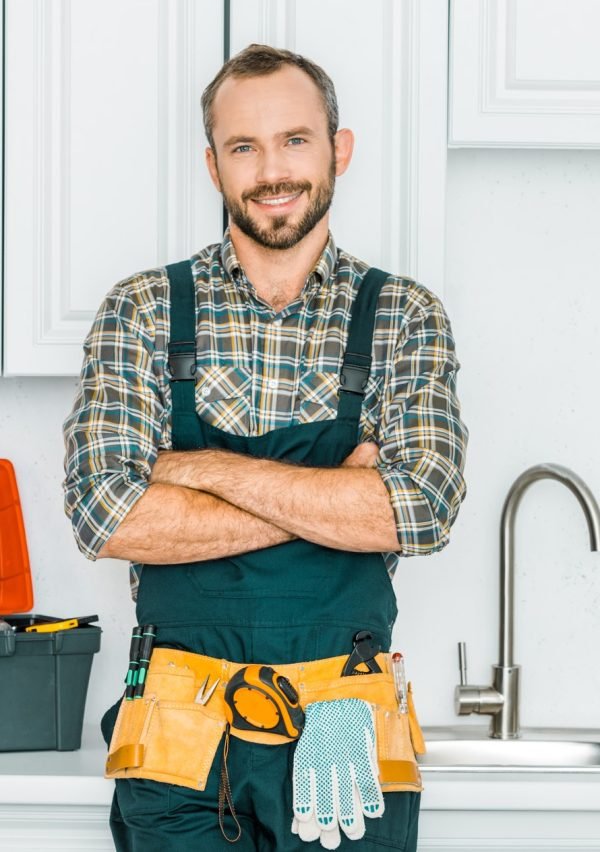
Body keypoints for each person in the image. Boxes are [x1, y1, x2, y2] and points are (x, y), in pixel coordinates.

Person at [63, 43, 468, 851]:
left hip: (343, 718)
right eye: (244, 147)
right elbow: (107, 516)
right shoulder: (143, 309)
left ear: (338, 150)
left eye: (294, 140)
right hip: (177, 733)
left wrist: (199, 472)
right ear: (213, 166)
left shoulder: (404, 316)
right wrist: (334, 498)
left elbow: (418, 509)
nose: (271, 169)